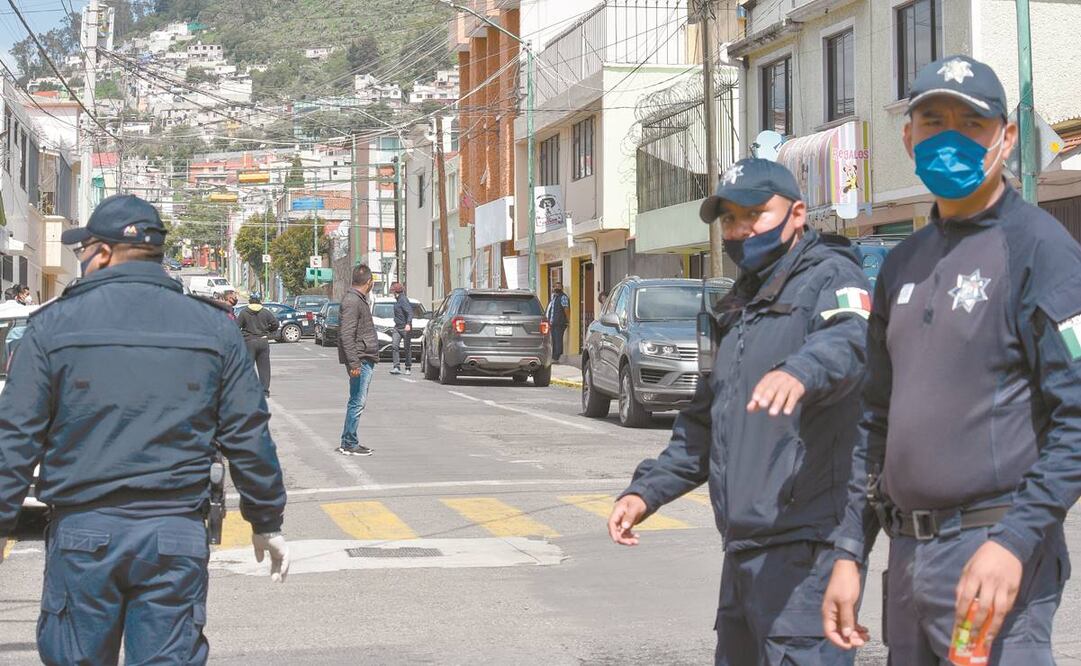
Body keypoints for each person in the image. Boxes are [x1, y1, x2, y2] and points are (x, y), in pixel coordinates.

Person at [822, 55, 1081, 665]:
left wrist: (1014, 541)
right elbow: (873, 423)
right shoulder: (903, 263)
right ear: (907, 134)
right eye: (933, 121)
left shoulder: (1041, 251)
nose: (950, 139)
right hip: (909, 562)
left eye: (971, 124)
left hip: (991, 560)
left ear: (1006, 137)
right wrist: (847, 553)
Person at [0, 194, 289, 666]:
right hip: (173, 535)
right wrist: (266, 520)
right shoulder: (213, 327)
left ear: (106, 252)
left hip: (83, 535)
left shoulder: (53, 326)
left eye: (84, 251)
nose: (83, 261)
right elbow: (248, 434)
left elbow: (13, 436)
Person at [608, 158, 872, 665]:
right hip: (744, 552)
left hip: (806, 552)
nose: (741, 229)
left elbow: (851, 339)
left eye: (755, 213)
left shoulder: (832, 277)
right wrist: (645, 492)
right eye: (729, 219)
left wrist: (802, 369)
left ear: (797, 213)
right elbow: (705, 424)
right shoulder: (740, 306)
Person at [338, 264, 378, 456]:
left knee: (356, 400)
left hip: (362, 357)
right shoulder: (353, 301)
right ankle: (349, 442)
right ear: (369, 282)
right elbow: (346, 335)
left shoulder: (357, 299)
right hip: (360, 359)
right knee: (357, 402)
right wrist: (354, 364)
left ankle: (348, 439)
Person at [236, 293, 279, 397]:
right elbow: (275, 324)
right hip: (263, 341)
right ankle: (264, 392)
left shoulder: (244, 312)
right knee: (264, 368)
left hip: (249, 342)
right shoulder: (265, 312)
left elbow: (237, 327)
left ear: (250, 301)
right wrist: (268, 332)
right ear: (260, 301)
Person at [390, 281, 413, 375]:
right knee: (394, 346)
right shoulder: (398, 300)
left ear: (396, 292)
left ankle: (408, 367)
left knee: (407, 348)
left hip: (405, 328)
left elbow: (410, 312)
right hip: (397, 328)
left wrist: (408, 324)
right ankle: (396, 367)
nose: (392, 294)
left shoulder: (403, 300)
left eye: (393, 292)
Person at [546, 282, 570, 362]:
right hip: (552, 323)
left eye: (559, 287)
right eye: (555, 286)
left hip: (559, 323)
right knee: (554, 341)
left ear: (562, 288)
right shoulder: (554, 297)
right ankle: (554, 357)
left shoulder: (563, 297)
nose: (557, 288)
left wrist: (567, 319)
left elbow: (566, 309)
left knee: (558, 340)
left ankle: (557, 358)